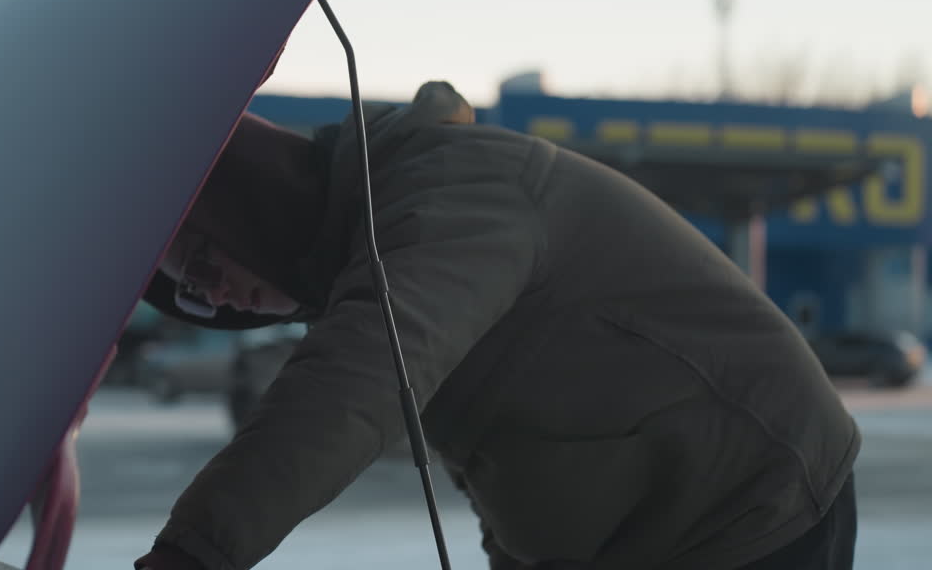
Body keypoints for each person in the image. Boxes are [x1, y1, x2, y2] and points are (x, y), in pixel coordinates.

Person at [134, 81, 860, 569]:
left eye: (201, 253)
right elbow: (505, 444)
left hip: (751, 503)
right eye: (189, 292)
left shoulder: (448, 196)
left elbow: (353, 387)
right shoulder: (370, 248)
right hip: (646, 528)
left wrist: (193, 555)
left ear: (247, 195)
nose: (213, 291)